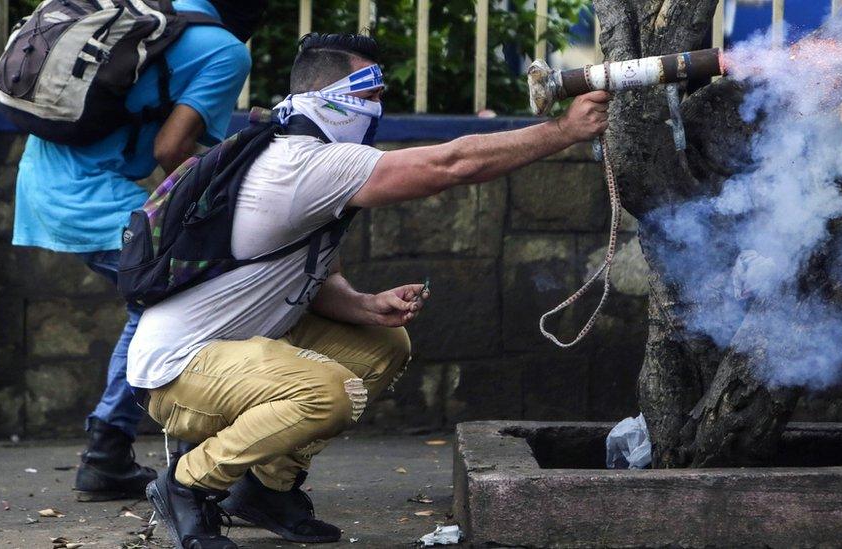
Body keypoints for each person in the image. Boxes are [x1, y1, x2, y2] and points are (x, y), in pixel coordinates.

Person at [130, 33, 610, 548]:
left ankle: (268, 488)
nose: (379, 108)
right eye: (370, 94)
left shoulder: (302, 157)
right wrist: (562, 130)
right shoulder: (302, 163)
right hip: (179, 372)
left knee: (381, 346)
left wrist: (362, 304)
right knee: (326, 393)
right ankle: (186, 484)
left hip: (237, 350)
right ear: (330, 99)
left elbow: (311, 281)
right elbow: (449, 165)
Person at [11, 0, 263, 501]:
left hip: (41, 183)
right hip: (93, 198)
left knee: (165, 301)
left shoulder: (145, 17)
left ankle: (119, 451)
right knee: (173, 302)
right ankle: (121, 452)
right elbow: (171, 152)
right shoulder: (226, 50)